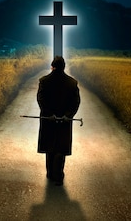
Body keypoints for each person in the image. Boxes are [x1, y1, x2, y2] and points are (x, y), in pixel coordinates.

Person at [37, 55, 80, 185]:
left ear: (52, 66)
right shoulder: (72, 83)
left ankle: (50, 173)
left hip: (48, 119)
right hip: (64, 121)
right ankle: (58, 174)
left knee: (50, 146)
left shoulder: (44, 81)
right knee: (60, 147)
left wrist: (49, 114)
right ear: (64, 67)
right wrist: (68, 115)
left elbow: (41, 99)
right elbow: (76, 102)